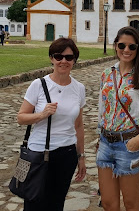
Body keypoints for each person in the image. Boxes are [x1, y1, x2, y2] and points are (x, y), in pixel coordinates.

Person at [16, 37, 87, 211]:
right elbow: (21, 117)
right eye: (58, 56)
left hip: (66, 153)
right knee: (33, 203)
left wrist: (81, 156)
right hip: (39, 153)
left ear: (74, 60)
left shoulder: (79, 88)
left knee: (56, 203)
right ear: (51, 58)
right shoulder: (39, 85)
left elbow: (78, 126)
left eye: (69, 57)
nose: (63, 61)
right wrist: (41, 114)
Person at [96, 26, 139, 211]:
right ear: (115, 45)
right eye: (122, 45)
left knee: (132, 204)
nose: (126, 50)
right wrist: (99, 137)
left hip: (131, 146)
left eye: (132, 47)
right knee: (109, 203)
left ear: (138, 49)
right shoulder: (107, 74)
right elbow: (103, 110)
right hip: (106, 144)